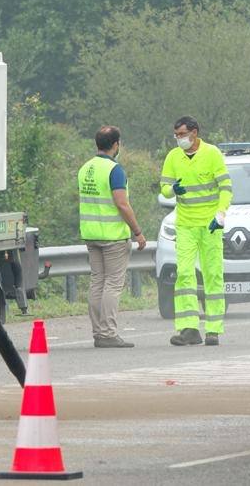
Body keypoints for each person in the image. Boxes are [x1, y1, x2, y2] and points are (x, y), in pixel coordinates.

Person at [159, 116, 232, 346]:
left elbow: (226, 188)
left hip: (209, 225)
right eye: (176, 135)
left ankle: (213, 329)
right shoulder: (173, 157)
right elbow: (164, 189)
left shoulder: (212, 154)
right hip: (186, 224)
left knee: (212, 274)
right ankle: (189, 328)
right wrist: (172, 189)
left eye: (182, 134)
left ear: (195, 132)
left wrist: (220, 214)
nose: (179, 139)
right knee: (185, 275)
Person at [78, 126, 146, 349]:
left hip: (91, 233)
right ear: (116, 145)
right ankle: (108, 333)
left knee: (97, 282)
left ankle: (98, 332)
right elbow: (121, 203)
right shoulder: (114, 170)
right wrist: (137, 231)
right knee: (113, 284)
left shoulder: (85, 168)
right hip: (113, 236)